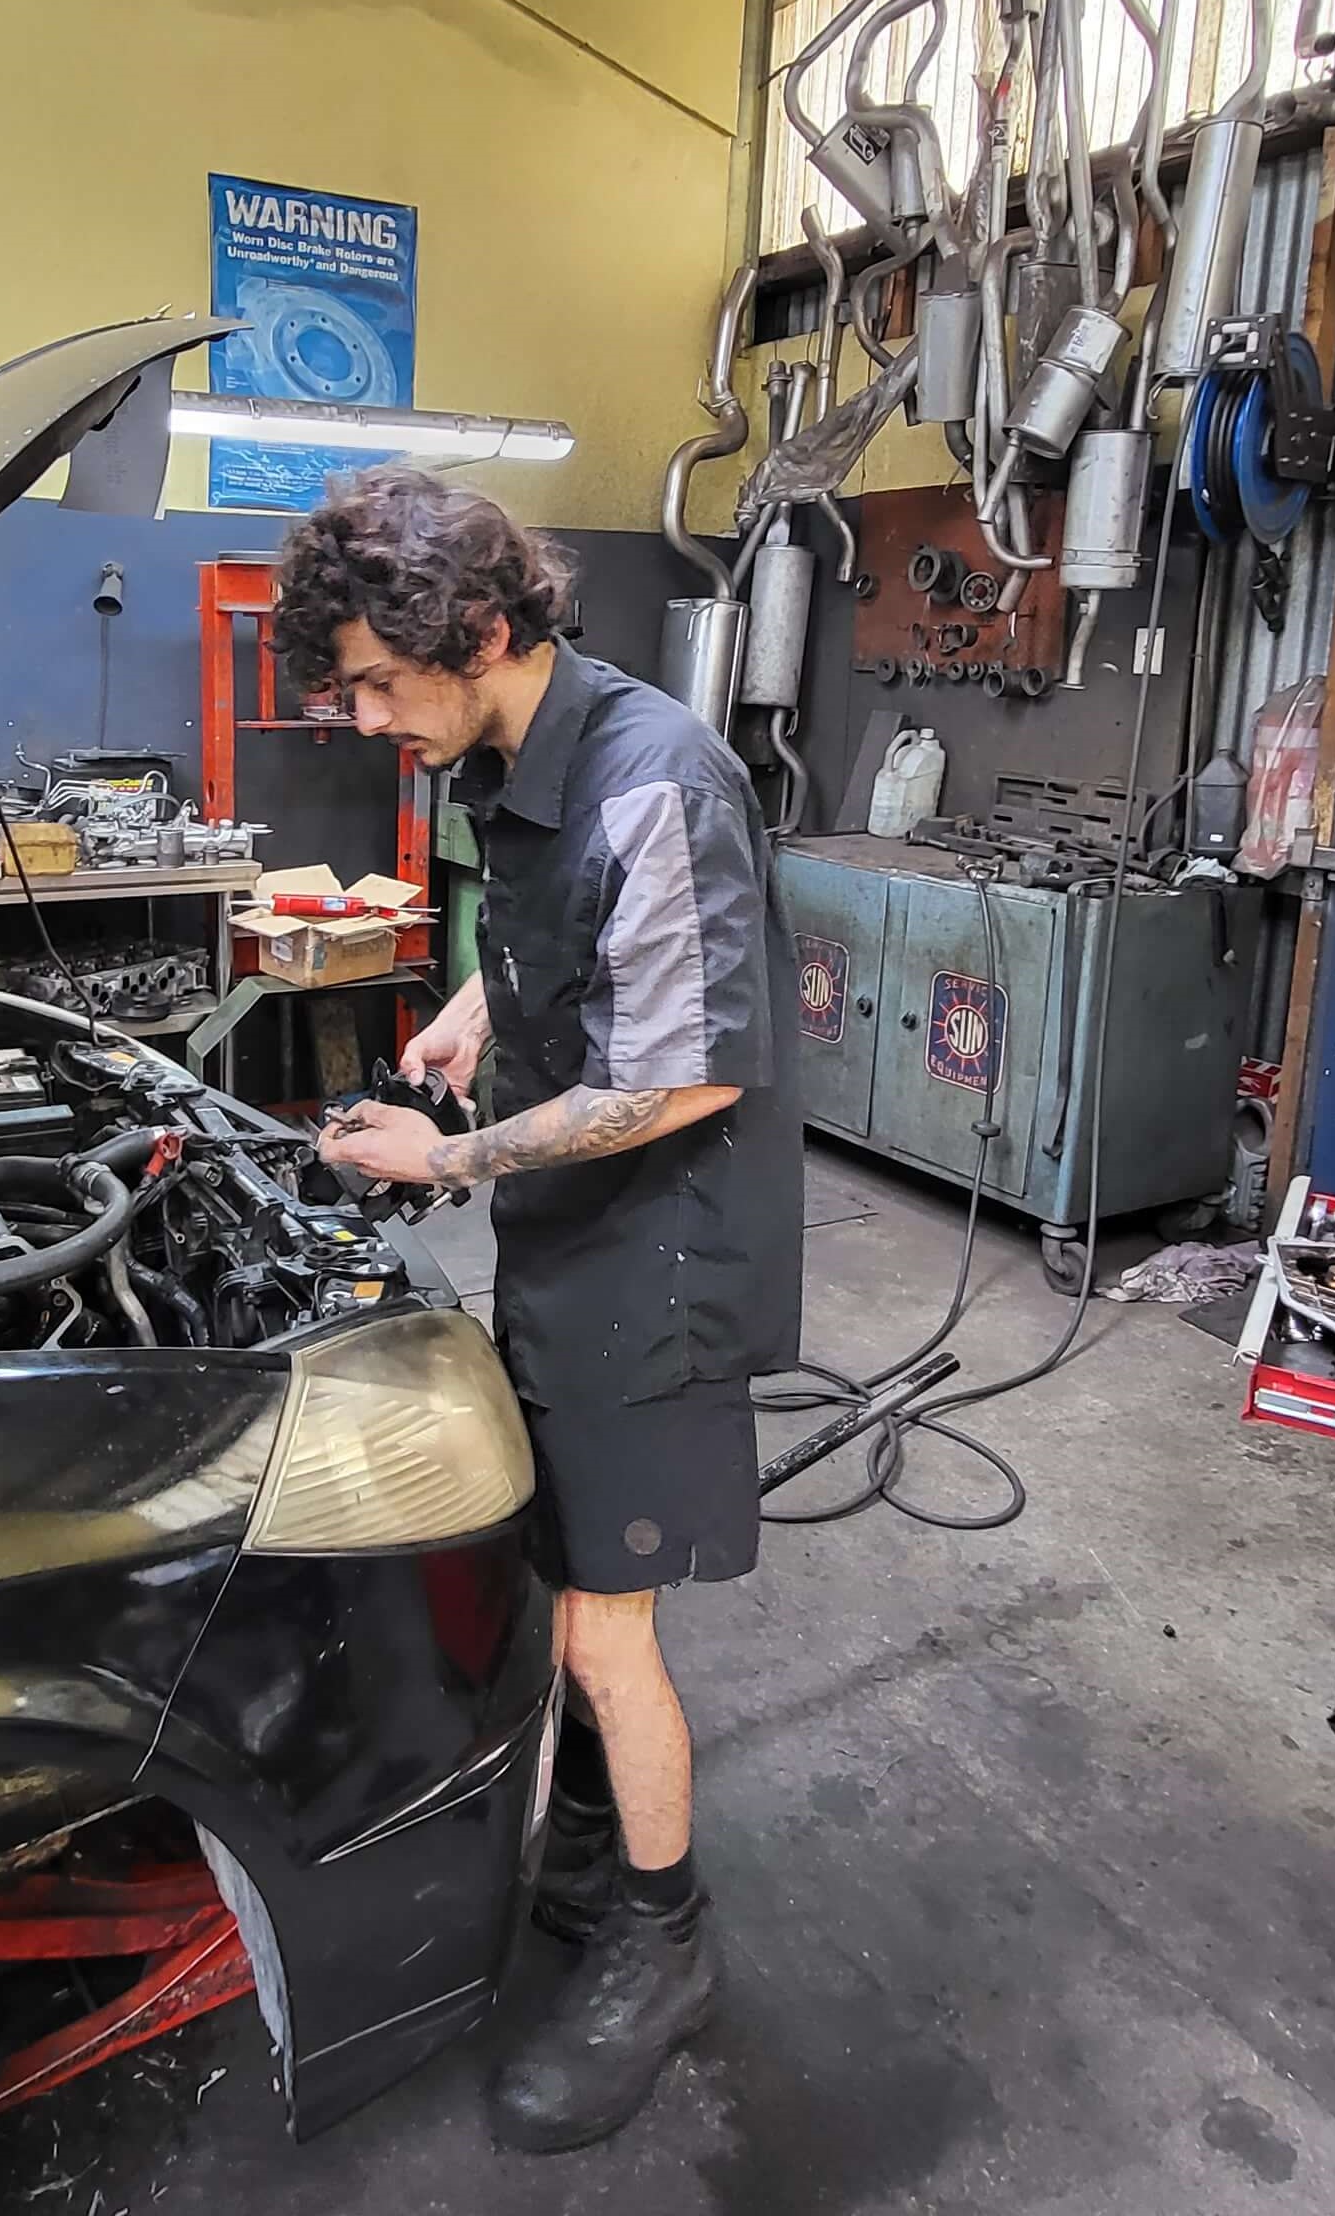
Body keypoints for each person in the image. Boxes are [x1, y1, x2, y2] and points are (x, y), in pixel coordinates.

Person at [279, 464, 802, 2154]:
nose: (360, 717)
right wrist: (463, 1017)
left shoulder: (663, 782)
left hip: (662, 1259)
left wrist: (449, 1158)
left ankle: (666, 1942)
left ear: (483, 632)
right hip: (577, 1241)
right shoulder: (512, 752)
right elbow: (552, 944)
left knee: (603, 1627)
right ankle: (586, 1850)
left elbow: (678, 1080)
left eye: (374, 681)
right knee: (564, 1571)